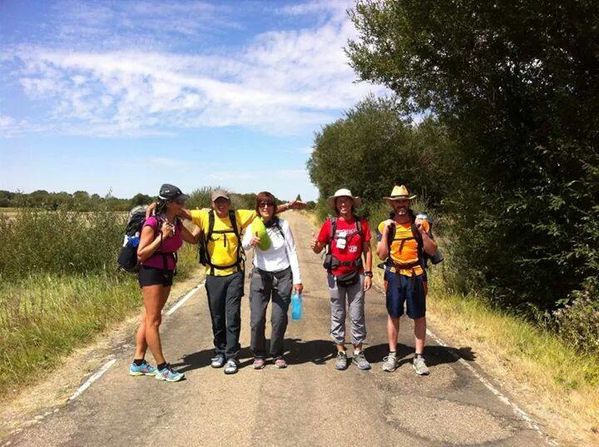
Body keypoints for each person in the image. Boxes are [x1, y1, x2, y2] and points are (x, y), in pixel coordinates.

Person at [179, 190, 304, 375]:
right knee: (236, 318)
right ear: (212, 203)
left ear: (229, 203)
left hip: (257, 275)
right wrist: (157, 207)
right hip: (234, 274)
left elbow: (288, 246)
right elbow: (183, 213)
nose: (266, 207)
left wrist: (298, 279)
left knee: (258, 318)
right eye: (217, 202)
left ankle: (252, 354)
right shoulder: (210, 217)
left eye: (224, 202)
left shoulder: (254, 219)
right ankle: (238, 353)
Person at [130, 184, 199, 382]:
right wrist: (162, 237)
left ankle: (138, 363)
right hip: (151, 271)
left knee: (148, 318)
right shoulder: (152, 222)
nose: (183, 204)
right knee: (154, 320)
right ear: (168, 203)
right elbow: (142, 253)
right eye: (179, 202)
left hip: (167, 270)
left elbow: (193, 239)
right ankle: (162, 367)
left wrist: (205, 222)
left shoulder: (175, 221)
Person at [376, 185, 437, 375]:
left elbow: (432, 250)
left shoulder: (421, 224)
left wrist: (422, 232)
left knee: (419, 315)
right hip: (394, 274)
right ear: (392, 204)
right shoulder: (385, 225)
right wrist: (386, 232)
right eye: (397, 201)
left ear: (408, 202)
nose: (401, 205)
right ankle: (393, 355)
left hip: (416, 275)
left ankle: (419, 357)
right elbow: (381, 255)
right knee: (393, 314)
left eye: (404, 200)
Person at [310, 188, 373, 371]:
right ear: (336, 205)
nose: (343, 204)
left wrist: (368, 274)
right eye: (340, 201)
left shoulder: (361, 224)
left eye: (346, 201)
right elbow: (318, 248)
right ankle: (340, 351)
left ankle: (358, 352)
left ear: (352, 203)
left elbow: (367, 250)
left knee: (357, 314)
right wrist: (314, 245)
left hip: (357, 274)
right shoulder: (330, 224)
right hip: (335, 275)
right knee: (338, 314)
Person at [242, 191, 303, 369]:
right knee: (257, 319)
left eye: (269, 204)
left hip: (283, 276)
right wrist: (251, 242)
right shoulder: (254, 225)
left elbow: (292, 251)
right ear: (258, 208)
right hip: (261, 275)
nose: (266, 207)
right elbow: (244, 246)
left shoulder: (283, 225)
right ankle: (259, 354)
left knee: (278, 319)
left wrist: (297, 279)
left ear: (274, 207)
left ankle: (277, 353)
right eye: (262, 205)